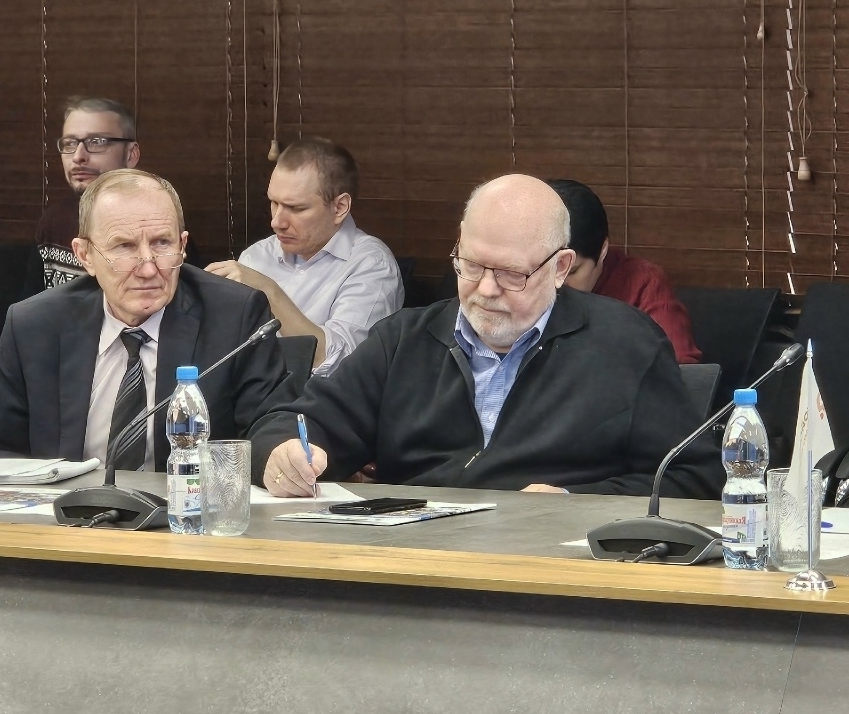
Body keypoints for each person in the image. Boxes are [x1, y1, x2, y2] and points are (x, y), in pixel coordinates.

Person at [250, 173, 719, 499]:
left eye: (512, 274)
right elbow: (290, 423)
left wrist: (575, 499)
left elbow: (694, 478)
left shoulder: (625, 345)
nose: (487, 290)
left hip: (553, 572)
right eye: (471, 265)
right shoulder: (405, 340)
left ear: (560, 268)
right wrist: (283, 454)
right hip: (417, 564)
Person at [0, 169, 292, 468]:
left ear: (182, 246)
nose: (148, 268)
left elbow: (270, 424)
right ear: (85, 255)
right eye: (124, 246)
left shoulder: (234, 317)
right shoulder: (36, 325)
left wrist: (280, 458)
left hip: (185, 506)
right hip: (68, 509)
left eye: (162, 243)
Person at [0, 96, 141, 414]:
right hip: (57, 381)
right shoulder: (56, 221)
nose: (79, 156)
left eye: (97, 142)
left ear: (131, 154)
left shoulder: (153, 223)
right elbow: (31, 317)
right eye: (70, 144)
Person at [206, 138, 402, 374]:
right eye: (274, 203)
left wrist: (269, 292)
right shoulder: (256, 256)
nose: (276, 222)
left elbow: (344, 365)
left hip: (319, 397)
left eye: (296, 208)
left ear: (339, 207)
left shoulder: (372, 265)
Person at [550, 178, 702, 364]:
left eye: (571, 272)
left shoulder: (642, 284)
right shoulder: (521, 281)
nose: (555, 284)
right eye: (545, 270)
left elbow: (677, 370)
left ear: (602, 250)